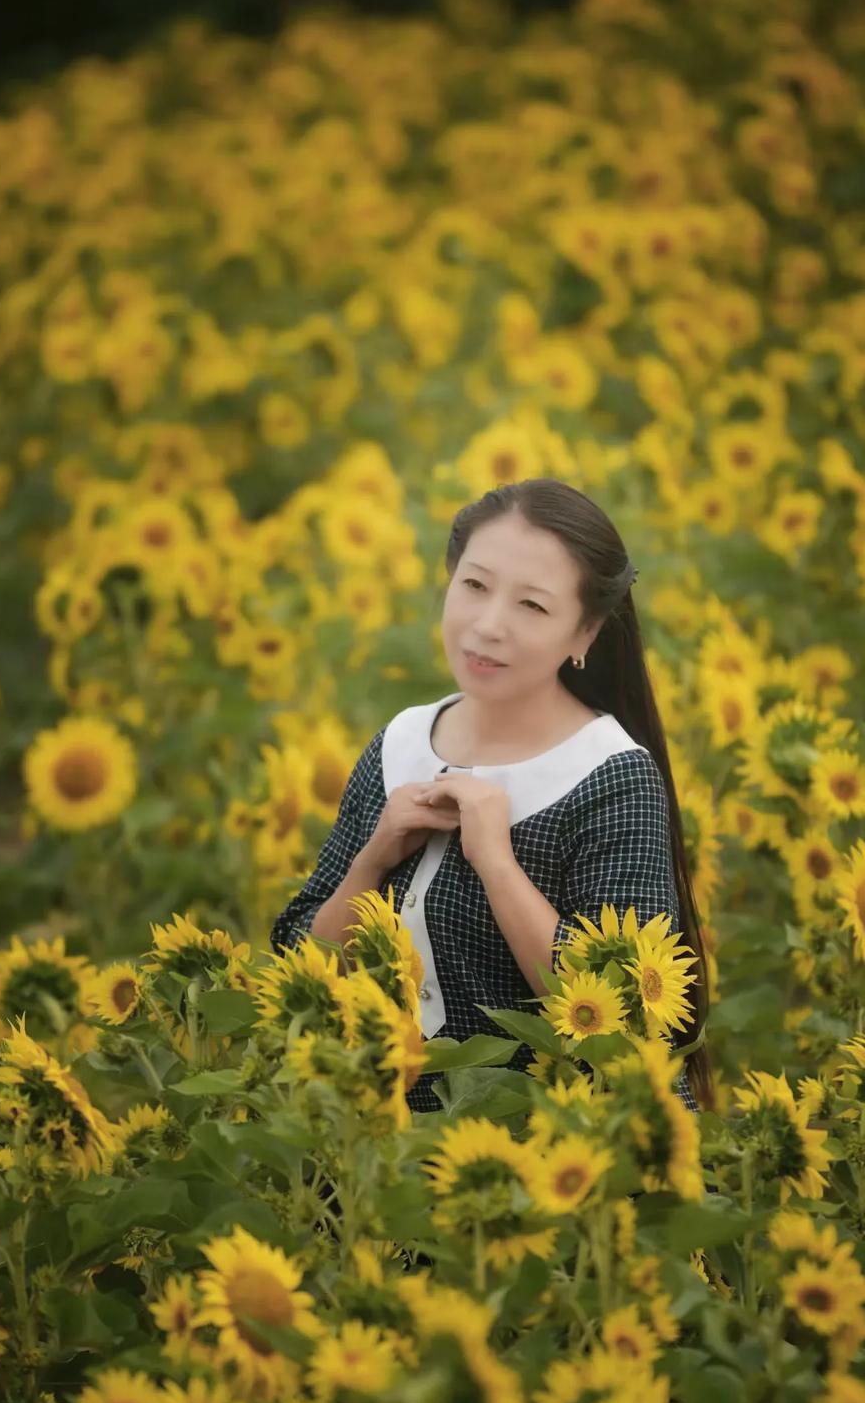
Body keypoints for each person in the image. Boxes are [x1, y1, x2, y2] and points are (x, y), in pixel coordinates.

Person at [270, 478, 714, 1117]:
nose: (487, 625)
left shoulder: (611, 778)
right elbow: (298, 966)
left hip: (564, 1165)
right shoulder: (400, 745)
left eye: (531, 606)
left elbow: (625, 1026)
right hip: (378, 1157)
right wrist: (372, 861)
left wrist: (497, 862)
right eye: (474, 586)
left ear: (585, 633)